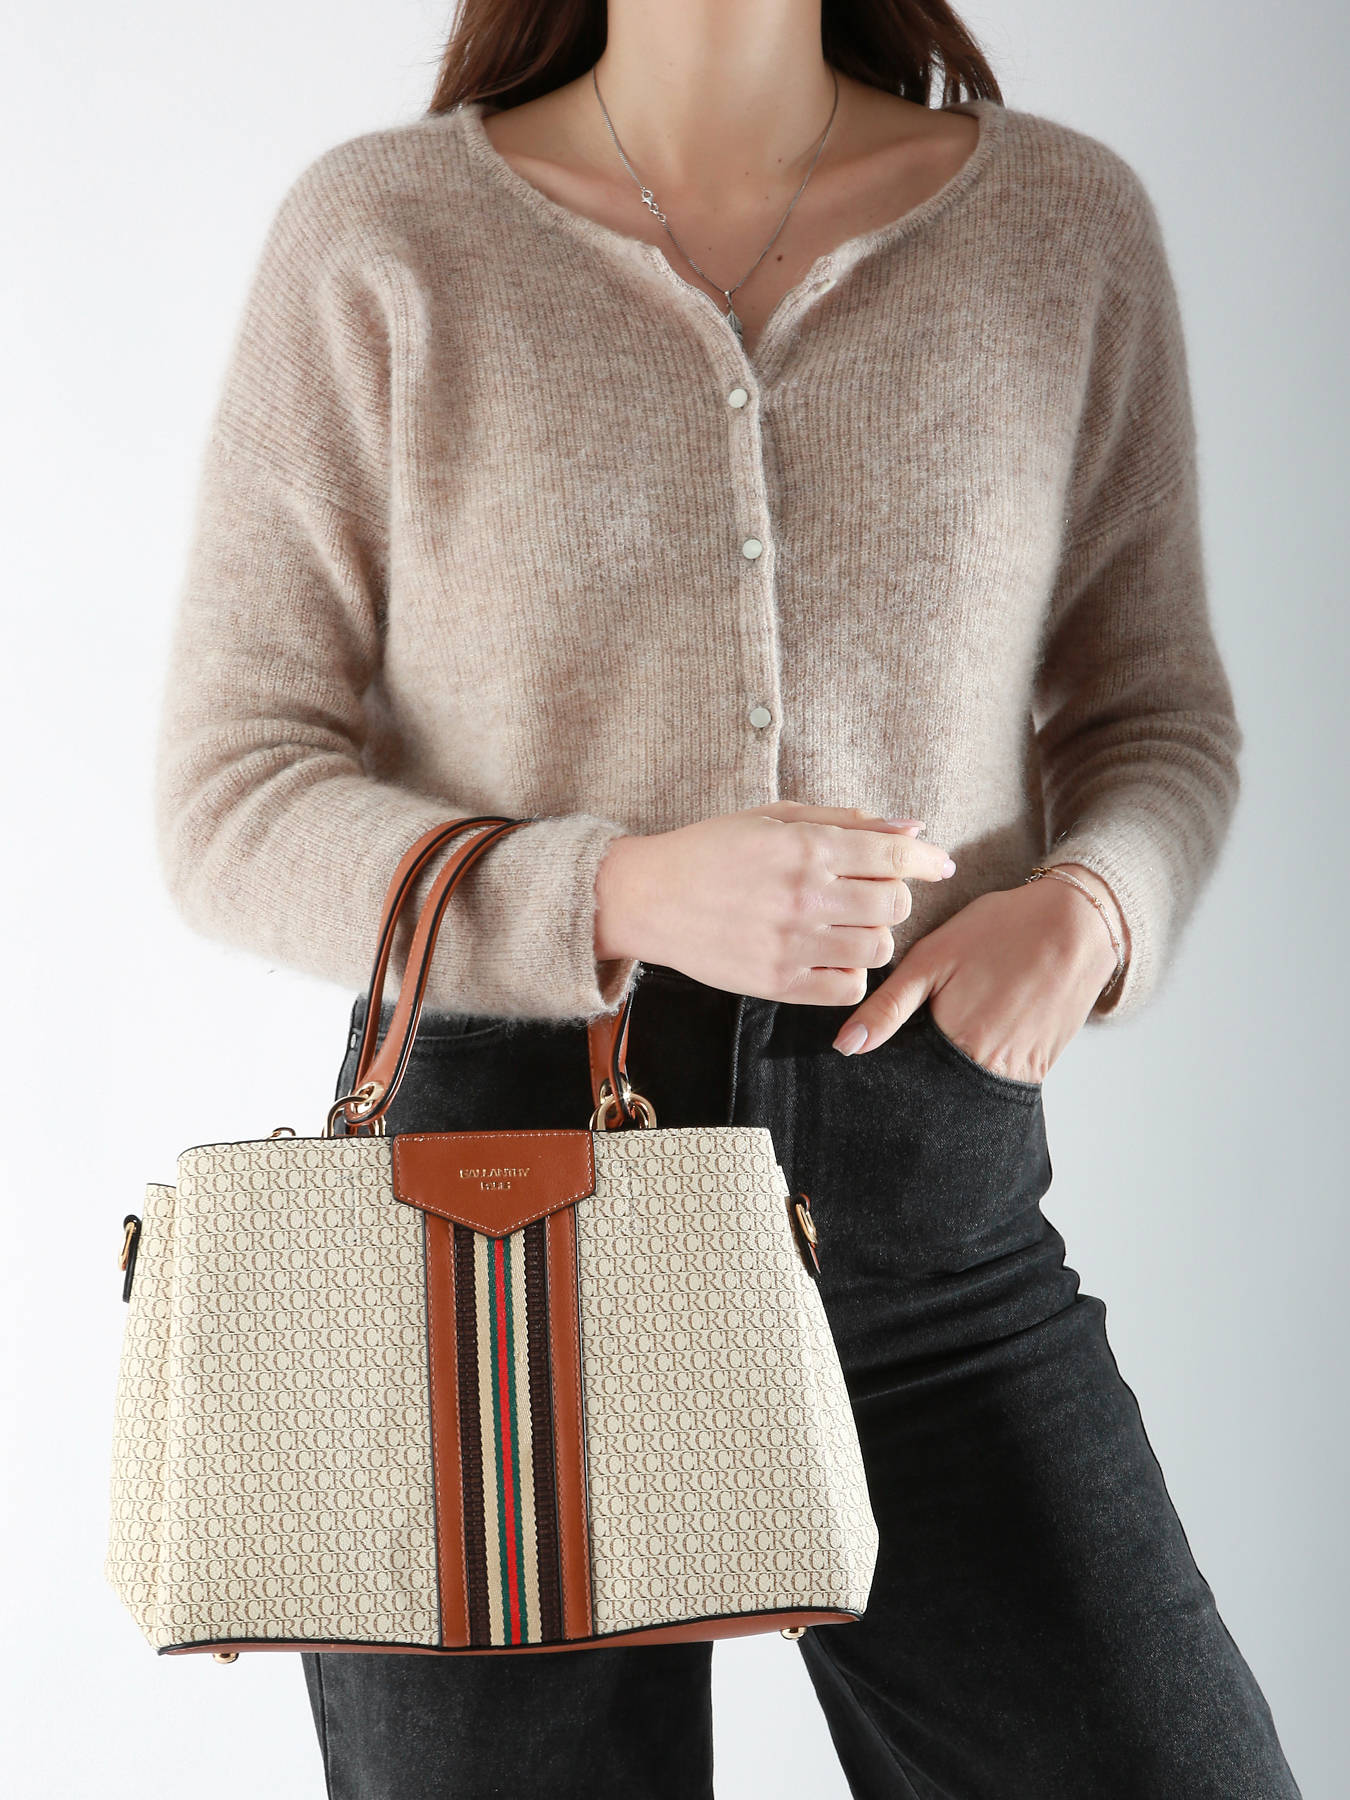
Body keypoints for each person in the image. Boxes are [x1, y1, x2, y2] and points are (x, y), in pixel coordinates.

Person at [153, 1, 1303, 1794]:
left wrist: (1091, 910)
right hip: (489, 1247)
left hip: (923, 1224)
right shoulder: (384, 236)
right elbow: (230, 793)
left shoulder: (1058, 226)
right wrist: (612, 893)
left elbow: (1153, 718)